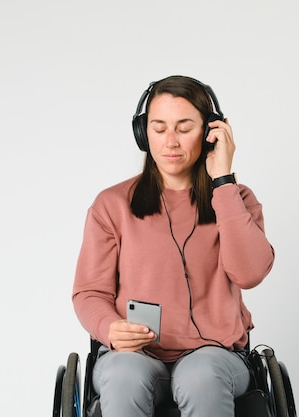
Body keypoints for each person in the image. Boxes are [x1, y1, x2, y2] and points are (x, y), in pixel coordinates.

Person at [72, 75, 275, 417]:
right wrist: (110, 328)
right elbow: (89, 292)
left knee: (200, 377)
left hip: (217, 356)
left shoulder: (237, 200)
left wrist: (222, 181)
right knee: (122, 375)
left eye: (184, 127)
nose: (170, 141)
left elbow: (250, 273)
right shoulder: (112, 205)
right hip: (135, 355)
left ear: (211, 132)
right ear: (143, 133)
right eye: (159, 127)